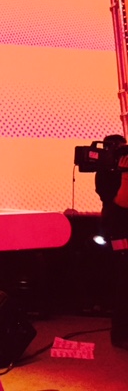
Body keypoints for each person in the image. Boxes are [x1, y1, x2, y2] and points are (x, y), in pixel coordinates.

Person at [95, 133, 128, 349]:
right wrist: (125, 175)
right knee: (124, 283)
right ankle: (121, 335)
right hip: (119, 231)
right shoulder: (105, 172)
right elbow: (122, 203)